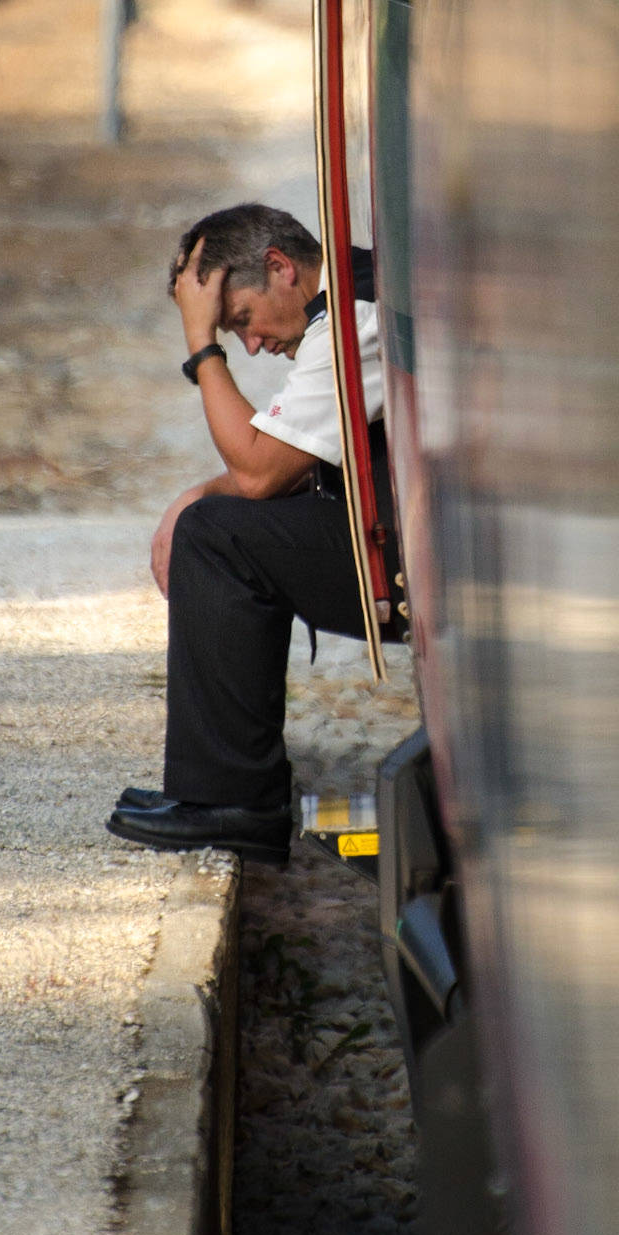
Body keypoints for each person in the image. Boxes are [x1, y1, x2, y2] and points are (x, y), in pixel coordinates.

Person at [105, 202, 395, 867]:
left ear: (279, 267)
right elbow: (282, 456)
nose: (253, 345)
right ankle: (222, 792)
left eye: (241, 322)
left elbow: (261, 473)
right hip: (403, 537)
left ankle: (234, 800)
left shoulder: (356, 320)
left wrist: (201, 350)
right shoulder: (348, 305)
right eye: (232, 336)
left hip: (404, 558)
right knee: (211, 520)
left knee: (217, 538)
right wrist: (195, 494)